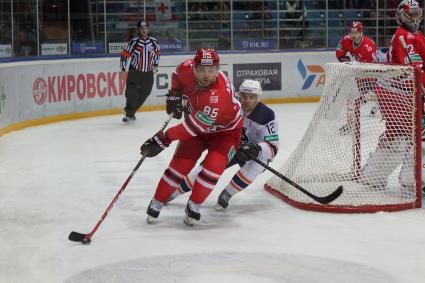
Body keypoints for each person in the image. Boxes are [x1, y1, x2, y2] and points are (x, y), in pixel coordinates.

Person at [140, 48, 243, 226]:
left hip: (225, 132)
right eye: (202, 70)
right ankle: (157, 201)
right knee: (180, 165)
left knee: (213, 167)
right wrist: (174, 94)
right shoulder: (185, 69)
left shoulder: (218, 95)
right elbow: (176, 74)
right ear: (194, 68)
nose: (206, 75)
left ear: (217, 69)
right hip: (197, 125)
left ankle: (194, 205)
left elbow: (193, 128)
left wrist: (164, 137)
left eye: (211, 70)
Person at [166, 79, 280, 210]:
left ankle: (227, 194)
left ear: (258, 97)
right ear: (238, 95)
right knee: (202, 171)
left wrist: (256, 149)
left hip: (250, 152)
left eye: (252, 97)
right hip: (229, 146)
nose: (247, 100)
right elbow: (207, 119)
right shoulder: (229, 107)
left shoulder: (267, 115)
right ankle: (174, 193)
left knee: (258, 164)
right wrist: (188, 107)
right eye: (244, 96)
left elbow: (273, 146)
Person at [361, 0, 425, 194]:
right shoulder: (405, 36)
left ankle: (372, 176)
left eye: (416, 14)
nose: (414, 18)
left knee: (398, 136)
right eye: (409, 15)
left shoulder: (411, 35)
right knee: (418, 134)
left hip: (394, 91)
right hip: (402, 93)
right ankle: (413, 180)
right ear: (400, 16)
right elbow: (416, 70)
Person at [336, 21, 379, 135]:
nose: (353, 35)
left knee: (378, 96)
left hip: (372, 74)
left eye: (356, 33)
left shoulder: (369, 47)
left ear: (361, 32)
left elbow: (374, 68)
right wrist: (350, 62)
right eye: (351, 32)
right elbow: (339, 53)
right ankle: (351, 124)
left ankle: (377, 102)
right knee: (352, 99)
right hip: (359, 73)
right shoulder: (346, 40)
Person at [120, 20, 160, 124]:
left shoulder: (154, 42)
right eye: (142, 28)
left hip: (148, 73)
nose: (144, 30)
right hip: (134, 72)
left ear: (148, 29)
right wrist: (123, 69)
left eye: (146, 28)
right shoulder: (134, 41)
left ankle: (129, 112)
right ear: (139, 29)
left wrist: (155, 64)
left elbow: (156, 55)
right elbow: (124, 55)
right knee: (131, 93)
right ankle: (129, 115)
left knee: (145, 92)